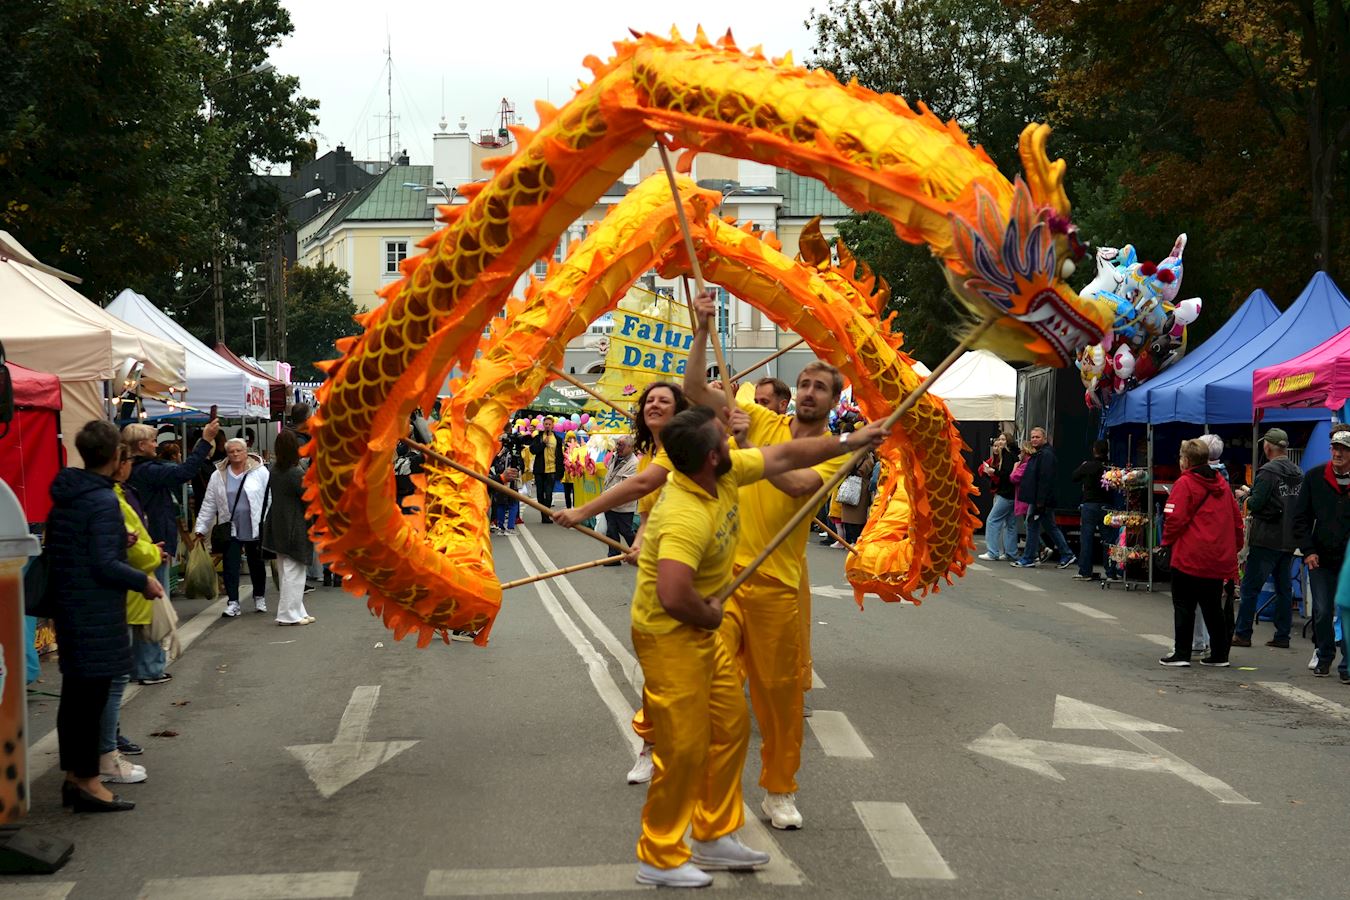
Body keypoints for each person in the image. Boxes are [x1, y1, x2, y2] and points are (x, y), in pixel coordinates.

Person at [629, 405, 886, 887]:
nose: (732, 438)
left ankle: (712, 834)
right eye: (722, 437)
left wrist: (852, 440)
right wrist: (711, 614)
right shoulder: (684, 513)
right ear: (712, 456)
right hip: (670, 636)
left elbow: (787, 455)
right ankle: (659, 854)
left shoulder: (725, 472)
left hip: (699, 632)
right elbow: (673, 594)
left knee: (729, 727)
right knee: (684, 747)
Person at [684, 289, 852, 831]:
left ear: (833, 401)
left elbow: (798, 484)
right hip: (725, 577)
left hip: (777, 585)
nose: (808, 392)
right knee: (711, 681)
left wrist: (747, 450)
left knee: (778, 702)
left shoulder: (835, 450)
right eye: (803, 384)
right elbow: (694, 390)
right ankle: (708, 782)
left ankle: (780, 790)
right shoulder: (763, 419)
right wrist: (702, 328)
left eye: (819, 387)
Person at [554, 382, 690, 784]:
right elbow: (647, 512)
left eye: (665, 400)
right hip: (656, 570)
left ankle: (689, 746)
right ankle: (651, 744)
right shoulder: (649, 454)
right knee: (655, 661)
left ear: (680, 411)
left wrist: (583, 512)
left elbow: (643, 485)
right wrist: (639, 541)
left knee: (690, 662)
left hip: (694, 565)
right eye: (650, 400)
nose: (655, 405)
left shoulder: (683, 448)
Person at [47, 420, 164, 812]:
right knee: (90, 702)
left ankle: (74, 778)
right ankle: (88, 782)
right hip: (95, 612)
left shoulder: (71, 495)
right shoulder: (101, 500)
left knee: (76, 699)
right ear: (116, 456)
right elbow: (103, 564)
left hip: (72, 607)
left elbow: (79, 549)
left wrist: (115, 539)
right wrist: (142, 581)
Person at [123, 418, 221, 681]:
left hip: (139, 545)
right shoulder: (148, 471)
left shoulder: (130, 472)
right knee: (154, 610)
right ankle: (150, 668)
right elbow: (184, 472)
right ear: (141, 445)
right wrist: (206, 440)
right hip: (154, 547)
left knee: (140, 610)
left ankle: (137, 667)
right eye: (152, 441)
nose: (156, 445)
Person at [1158, 439, 1243, 667]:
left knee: (1183, 605)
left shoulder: (1184, 483)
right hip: (1216, 557)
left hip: (1189, 555)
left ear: (1186, 460)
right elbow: (1236, 520)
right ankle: (1219, 655)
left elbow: (1173, 518)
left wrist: (1166, 543)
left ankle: (1182, 653)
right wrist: (1235, 547)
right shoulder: (1221, 484)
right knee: (1212, 606)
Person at [1233, 428, 1303, 650]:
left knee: (1250, 588)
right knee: (1284, 589)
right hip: (1288, 538)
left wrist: (1246, 497)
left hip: (1266, 537)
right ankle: (1283, 635)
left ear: (1267, 447)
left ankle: (1243, 633)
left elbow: (1257, 503)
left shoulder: (1267, 471)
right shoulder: (1298, 472)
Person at [1292, 425, 1350, 679]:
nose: (1337, 453)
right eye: (1334, 448)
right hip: (1320, 557)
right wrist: (1308, 550)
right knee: (1323, 610)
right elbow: (1300, 518)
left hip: (1348, 560)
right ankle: (1324, 654)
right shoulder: (1315, 477)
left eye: (1343, 449)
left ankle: (1347, 664)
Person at [194, 438, 271, 618]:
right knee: (230, 565)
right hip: (230, 527)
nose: (235, 454)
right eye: (231, 451)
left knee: (257, 564)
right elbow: (209, 502)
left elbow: (269, 498)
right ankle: (233, 602)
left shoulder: (260, 471)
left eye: (238, 451)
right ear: (227, 454)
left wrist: (266, 520)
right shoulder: (218, 475)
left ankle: (259, 597)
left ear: (246, 452)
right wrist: (201, 527)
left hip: (254, 525)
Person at [262, 429, 315, 626]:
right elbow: (309, 498)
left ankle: (297, 610)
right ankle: (288, 614)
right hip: (295, 525)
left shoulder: (274, 471)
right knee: (295, 572)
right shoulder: (296, 472)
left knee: (286, 571)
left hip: (277, 523)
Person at [1012, 427, 1076, 569]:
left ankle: (1029, 558)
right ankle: (1066, 554)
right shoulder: (1040, 453)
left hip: (1040, 499)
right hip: (1039, 498)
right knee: (1048, 526)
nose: (1034, 439)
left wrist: (1040, 501)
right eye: (1032, 437)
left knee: (1032, 525)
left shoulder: (1046, 455)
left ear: (1044, 439)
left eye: (1037, 437)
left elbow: (1045, 479)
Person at [1072, 440, 1115, 581]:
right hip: (1106, 506)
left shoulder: (1088, 466)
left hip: (1089, 505)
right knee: (1108, 540)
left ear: (1094, 450)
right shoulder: (1110, 468)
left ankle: (1085, 571)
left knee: (1086, 538)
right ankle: (1111, 572)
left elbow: (1074, 477)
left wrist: (1083, 466)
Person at [977, 432, 1018, 561]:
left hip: (1005, 493)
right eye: (999, 439)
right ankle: (1011, 553)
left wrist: (994, 471)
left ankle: (993, 552)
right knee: (1010, 524)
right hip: (1013, 494)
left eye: (1003, 439)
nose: (1000, 442)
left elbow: (1006, 474)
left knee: (992, 520)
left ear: (1008, 441)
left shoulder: (1007, 455)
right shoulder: (1015, 454)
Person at [601, 434, 638, 563]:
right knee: (611, 531)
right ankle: (613, 557)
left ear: (630, 447)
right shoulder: (615, 457)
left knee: (626, 531)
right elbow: (609, 475)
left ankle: (640, 553)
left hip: (623, 505)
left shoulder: (634, 463)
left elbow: (624, 485)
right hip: (610, 502)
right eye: (617, 444)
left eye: (621, 445)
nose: (618, 447)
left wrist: (605, 495)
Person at [530, 417, 564, 522]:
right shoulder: (538, 437)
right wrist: (543, 444)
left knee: (549, 494)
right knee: (540, 494)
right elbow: (533, 450)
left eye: (549, 424)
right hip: (540, 470)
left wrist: (561, 470)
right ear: (543, 425)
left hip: (552, 470)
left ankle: (546, 514)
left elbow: (560, 456)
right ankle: (544, 515)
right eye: (546, 424)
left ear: (553, 425)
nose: (547, 426)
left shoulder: (557, 439)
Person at [490, 434, 524, 535]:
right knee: (513, 504)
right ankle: (510, 527)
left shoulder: (499, 453)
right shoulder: (514, 454)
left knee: (501, 504)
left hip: (499, 480)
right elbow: (520, 467)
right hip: (510, 480)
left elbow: (493, 464)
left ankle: (501, 528)